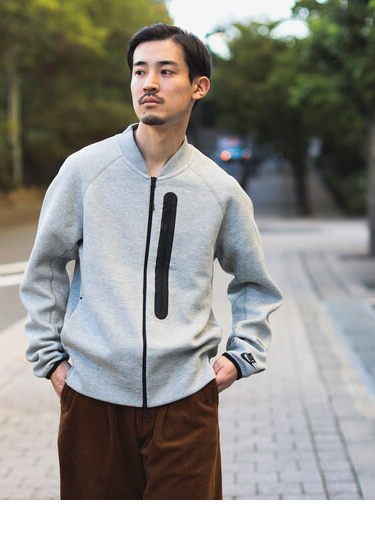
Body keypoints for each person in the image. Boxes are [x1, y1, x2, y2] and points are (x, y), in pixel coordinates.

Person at [20, 23, 283, 500]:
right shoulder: (85, 171)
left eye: (166, 71)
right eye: (140, 72)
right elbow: (45, 269)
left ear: (199, 86)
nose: (149, 84)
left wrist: (242, 355)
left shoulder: (219, 190)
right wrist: (51, 360)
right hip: (92, 398)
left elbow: (254, 282)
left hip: (186, 401)